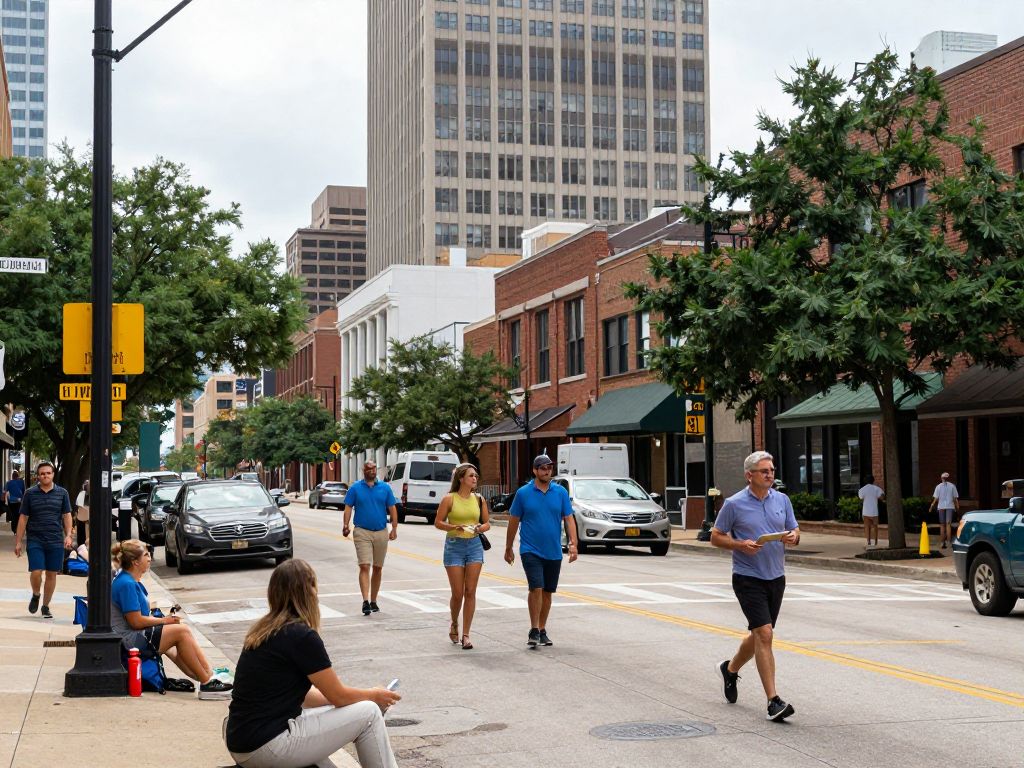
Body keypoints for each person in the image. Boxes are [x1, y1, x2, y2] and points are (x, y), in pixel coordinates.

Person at [224, 559, 400, 768]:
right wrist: (373, 695)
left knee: (327, 714)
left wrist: (337, 706)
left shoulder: (262, 631)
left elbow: (304, 696)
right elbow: (339, 696)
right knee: (369, 712)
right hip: (266, 746)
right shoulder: (301, 636)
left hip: (242, 740)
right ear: (308, 592)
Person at [711, 451, 800, 722]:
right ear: (750, 475)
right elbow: (715, 536)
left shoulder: (782, 500)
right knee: (764, 633)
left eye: (771, 470)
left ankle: (730, 668)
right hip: (748, 577)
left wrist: (793, 537)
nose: (770, 474)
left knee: (761, 634)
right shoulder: (734, 504)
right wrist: (740, 544)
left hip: (776, 576)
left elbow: (794, 530)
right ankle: (773, 701)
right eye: (764, 471)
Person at [110, 538, 234, 700]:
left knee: (174, 643)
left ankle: (206, 676)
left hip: (130, 636)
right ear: (135, 562)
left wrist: (161, 617)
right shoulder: (127, 584)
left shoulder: (127, 579)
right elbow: (136, 622)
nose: (149, 558)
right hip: (128, 641)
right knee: (181, 631)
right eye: (146, 555)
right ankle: (206, 682)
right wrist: (164, 621)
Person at [504, 454, 577, 649]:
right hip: (530, 549)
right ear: (535, 471)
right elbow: (513, 520)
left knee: (547, 592)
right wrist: (508, 546)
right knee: (536, 587)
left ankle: (542, 629)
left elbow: (569, 518)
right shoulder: (523, 493)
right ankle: (534, 629)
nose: (547, 471)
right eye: (543, 468)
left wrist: (573, 543)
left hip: (553, 550)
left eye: (549, 468)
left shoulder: (560, 492)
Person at [434, 463, 491, 650]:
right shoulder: (449, 499)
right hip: (454, 546)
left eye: (476, 476)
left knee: (470, 591)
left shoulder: (479, 499)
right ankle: (454, 623)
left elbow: (487, 523)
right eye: (471, 476)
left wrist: (479, 528)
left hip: (474, 545)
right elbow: (438, 522)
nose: (475, 479)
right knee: (458, 594)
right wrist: (453, 527)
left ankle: (466, 634)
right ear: (461, 479)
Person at [13, 461, 72, 619]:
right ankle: (36, 594)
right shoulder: (30, 494)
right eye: (42, 473)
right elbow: (23, 518)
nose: (45, 476)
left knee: (52, 574)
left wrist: (68, 535)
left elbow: (67, 515)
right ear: (37, 476)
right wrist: (18, 541)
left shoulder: (62, 493)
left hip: (55, 540)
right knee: (36, 571)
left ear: (53, 474)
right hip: (35, 539)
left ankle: (45, 606)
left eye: (48, 473)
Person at [342, 460, 399, 616]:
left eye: (374, 468)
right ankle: (365, 601)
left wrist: (394, 528)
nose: (372, 471)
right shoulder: (355, 488)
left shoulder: (385, 488)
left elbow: (392, 508)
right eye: (368, 469)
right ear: (363, 470)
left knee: (378, 568)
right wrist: (346, 525)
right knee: (365, 565)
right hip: (362, 531)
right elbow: (348, 508)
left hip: (381, 531)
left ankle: (374, 601)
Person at [928, 472, 960, 549]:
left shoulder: (950, 486)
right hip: (944, 506)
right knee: (944, 524)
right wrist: (932, 505)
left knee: (946, 524)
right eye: (944, 478)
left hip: (947, 506)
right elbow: (936, 498)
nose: (944, 479)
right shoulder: (940, 487)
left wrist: (957, 506)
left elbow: (955, 498)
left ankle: (946, 541)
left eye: (945, 478)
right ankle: (944, 541)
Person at [857, 475, 884, 547]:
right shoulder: (877, 489)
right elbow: (882, 497)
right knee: (875, 527)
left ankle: (868, 541)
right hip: (874, 511)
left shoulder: (862, 489)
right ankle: (875, 541)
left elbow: (861, 498)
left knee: (867, 527)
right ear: (873, 480)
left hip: (866, 511)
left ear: (865, 481)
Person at [4, 469, 25, 534]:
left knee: (13, 516)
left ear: (12, 476)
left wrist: (4, 500)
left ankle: (14, 530)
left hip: (12, 501)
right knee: (18, 516)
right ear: (18, 476)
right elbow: (24, 491)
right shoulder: (21, 482)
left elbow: (5, 491)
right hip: (19, 501)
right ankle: (18, 529)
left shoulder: (9, 483)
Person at [74, 479, 90, 547]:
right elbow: (79, 506)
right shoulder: (82, 494)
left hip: (86, 521)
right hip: (82, 521)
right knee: (82, 543)